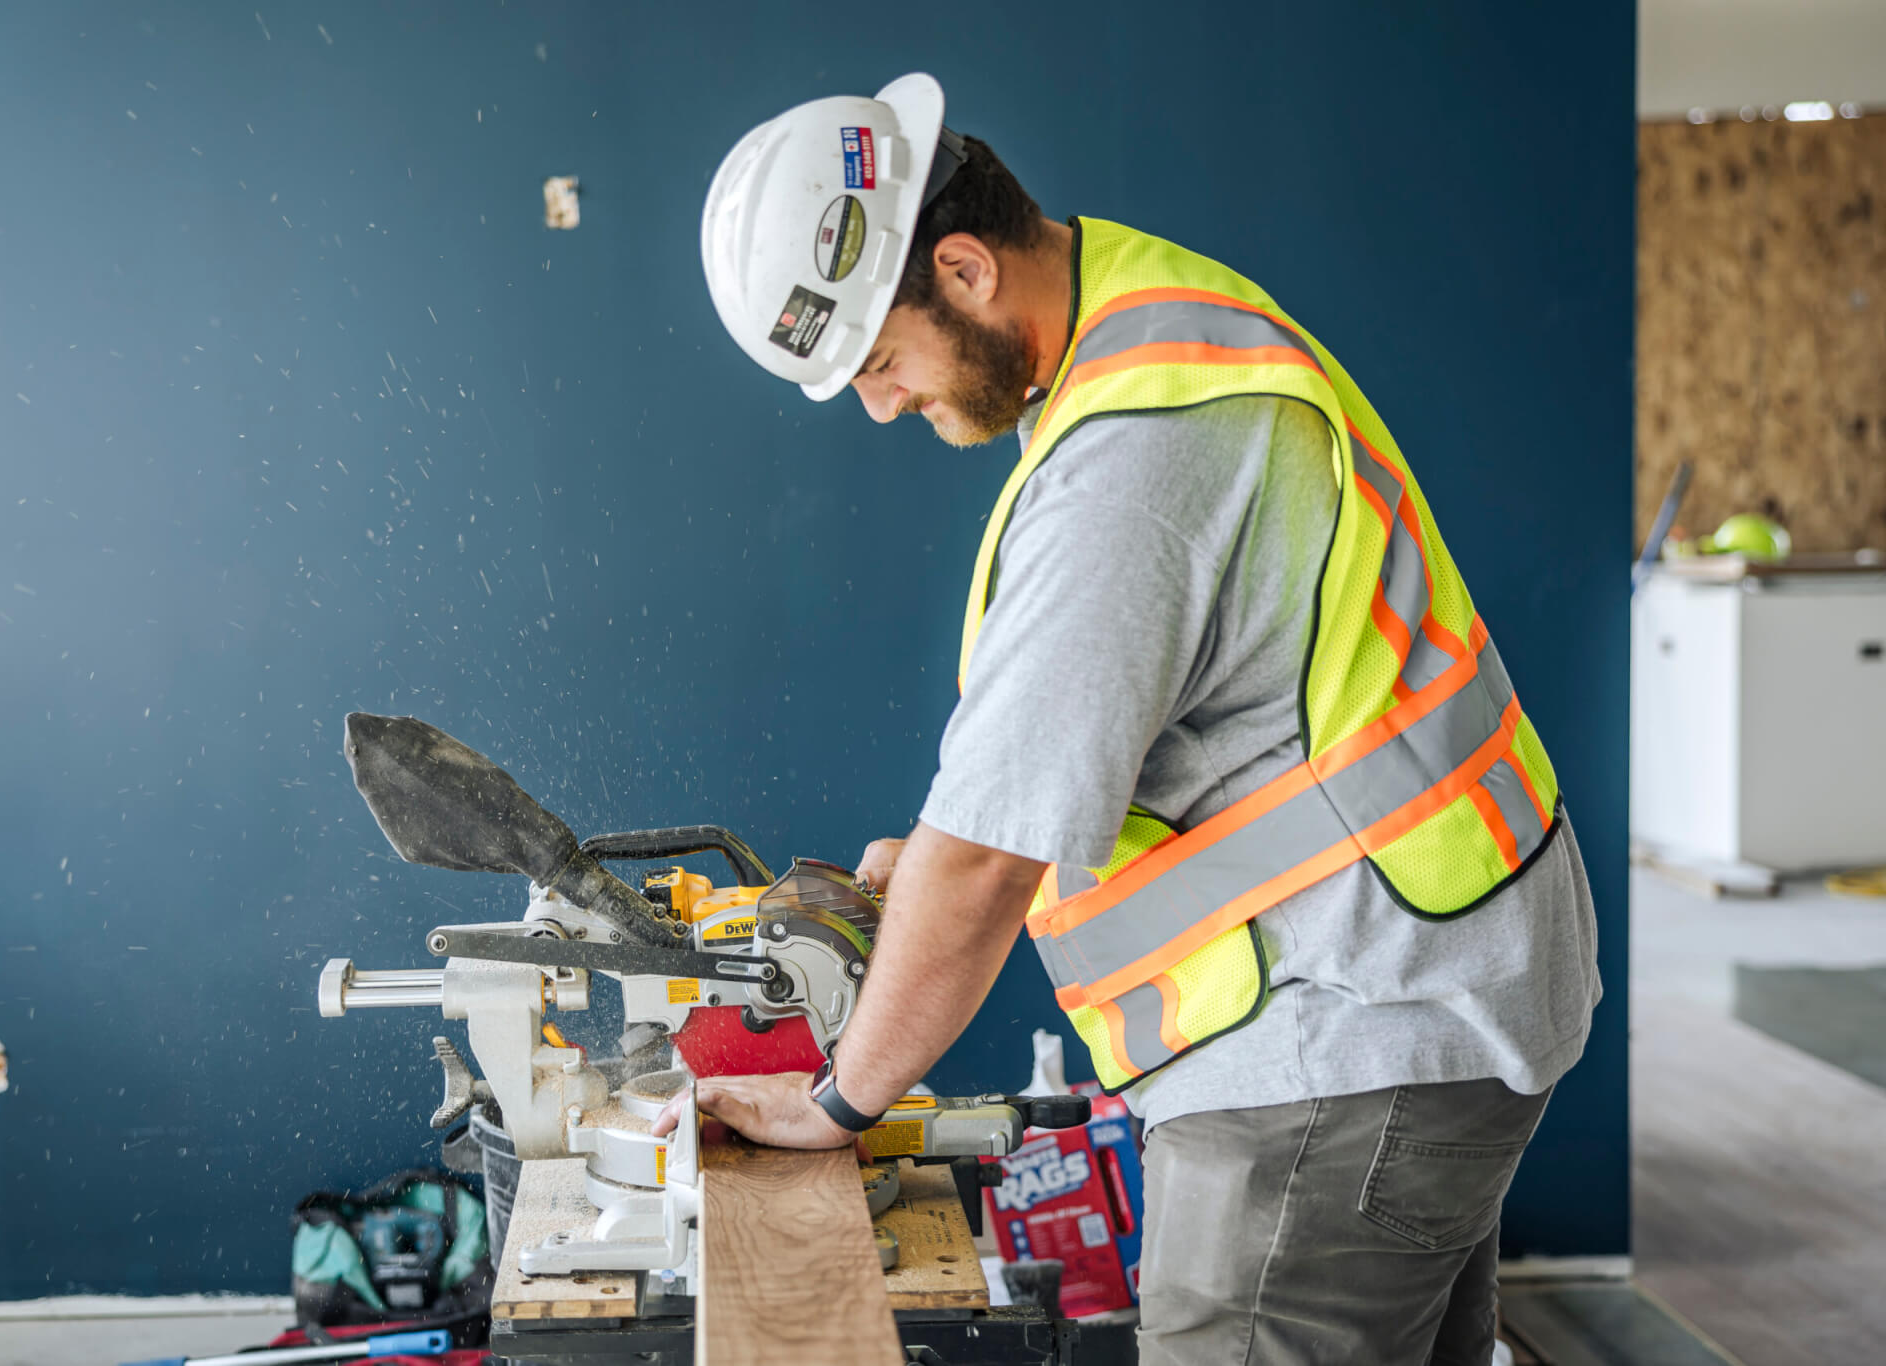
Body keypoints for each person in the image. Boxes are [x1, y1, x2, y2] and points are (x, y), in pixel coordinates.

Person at [660, 72, 1601, 1365]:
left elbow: (989, 856)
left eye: (882, 360)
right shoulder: (1155, 330)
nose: (881, 404)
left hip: (1337, 1050)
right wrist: (927, 863)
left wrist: (840, 1099)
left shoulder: (1132, 458)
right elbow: (1141, 766)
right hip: (1427, 995)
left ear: (967, 270)